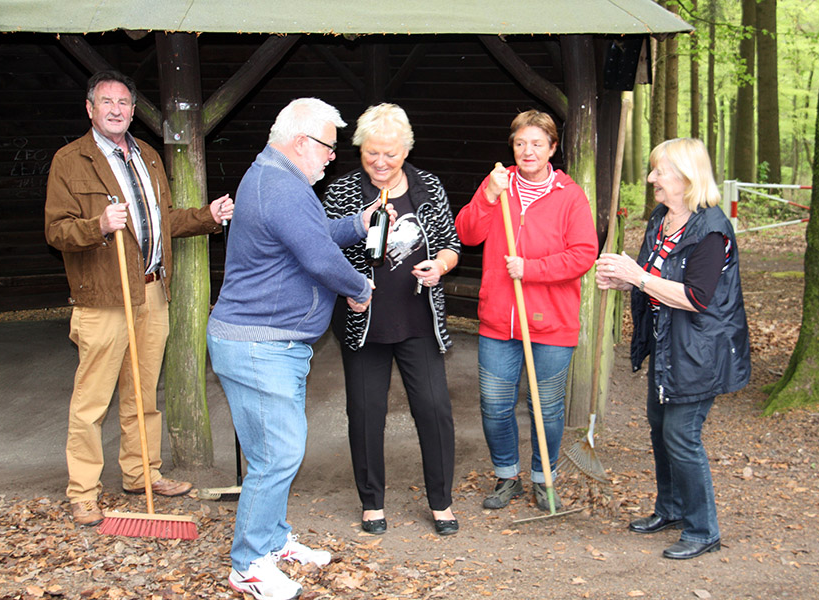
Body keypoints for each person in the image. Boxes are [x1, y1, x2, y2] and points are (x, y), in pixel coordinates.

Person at [207, 98, 383, 600]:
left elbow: (305, 234)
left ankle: (273, 538)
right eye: (329, 146)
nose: (332, 157)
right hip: (260, 345)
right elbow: (316, 255)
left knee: (272, 450)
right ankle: (249, 565)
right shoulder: (281, 184)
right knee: (277, 455)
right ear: (303, 141)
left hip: (264, 342)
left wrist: (354, 225)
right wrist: (359, 288)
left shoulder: (275, 177)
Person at [44, 70, 234, 528]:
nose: (116, 109)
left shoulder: (147, 156)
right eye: (106, 101)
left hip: (152, 290)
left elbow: (161, 220)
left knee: (143, 394)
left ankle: (141, 473)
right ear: (90, 108)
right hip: (104, 300)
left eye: (124, 103)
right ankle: (83, 492)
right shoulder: (71, 160)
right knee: (91, 402)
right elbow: (56, 231)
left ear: (132, 110)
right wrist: (98, 226)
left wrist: (205, 217)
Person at [595, 138, 750, 560]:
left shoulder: (712, 229)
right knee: (660, 430)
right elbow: (653, 278)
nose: (651, 179)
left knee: (682, 436)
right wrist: (625, 279)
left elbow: (697, 296)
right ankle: (672, 509)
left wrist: (638, 277)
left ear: (685, 177)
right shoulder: (661, 220)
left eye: (658, 172)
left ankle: (703, 530)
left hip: (700, 351)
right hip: (668, 347)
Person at [322, 103, 461, 536]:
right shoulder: (342, 191)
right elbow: (321, 252)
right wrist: (349, 289)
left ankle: (441, 502)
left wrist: (439, 266)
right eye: (371, 154)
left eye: (391, 155)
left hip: (419, 317)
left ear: (406, 151)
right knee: (365, 412)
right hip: (364, 322)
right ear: (360, 149)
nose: (380, 163)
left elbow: (451, 244)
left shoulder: (427, 185)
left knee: (434, 410)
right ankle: (372, 503)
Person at [455, 110, 598, 512]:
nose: (527, 151)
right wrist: (487, 196)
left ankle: (543, 479)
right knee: (495, 405)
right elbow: (466, 233)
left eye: (537, 143)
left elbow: (584, 254)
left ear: (553, 148)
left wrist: (531, 270)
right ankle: (507, 477)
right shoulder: (498, 185)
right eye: (520, 143)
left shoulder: (569, 195)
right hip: (500, 319)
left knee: (547, 408)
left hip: (552, 322)